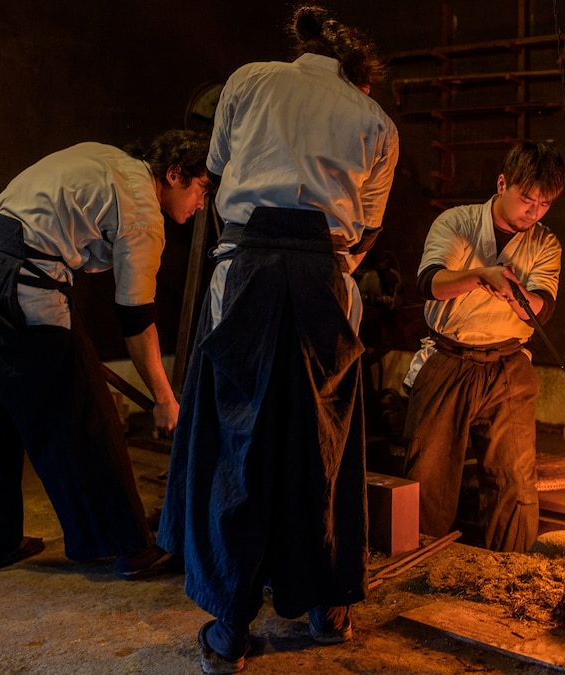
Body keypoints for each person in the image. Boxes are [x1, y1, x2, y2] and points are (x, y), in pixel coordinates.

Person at [155, 5, 398, 672]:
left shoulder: (250, 80)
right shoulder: (375, 120)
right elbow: (366, 228)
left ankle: (230, 630)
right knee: (321, 446)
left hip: (247, 272)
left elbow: (223, 172)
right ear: (359, 75)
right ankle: (327, 608)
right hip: (325, 279)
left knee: (242, 445)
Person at [0, 129, 212, 580]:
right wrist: (164, 398)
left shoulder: (104, 156)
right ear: (174, 173)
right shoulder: (143, 211)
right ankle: (130, 548)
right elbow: (135, 317)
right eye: (201, 189)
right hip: (20, 282)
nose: (202, 203)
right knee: (86, 416)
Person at [402, 141, 565, 554]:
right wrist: (479, 276)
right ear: (502, 183)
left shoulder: (545, 244)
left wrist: (521, 300)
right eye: (527, 199)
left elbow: (543, 307)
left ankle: (509, 572)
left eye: (544, 204)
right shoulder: (456, 223)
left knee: (514, 479)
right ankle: (422, 567)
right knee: (429, 475)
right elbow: (431, 283)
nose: (534, 211)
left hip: (508, 362)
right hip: (449, 358)